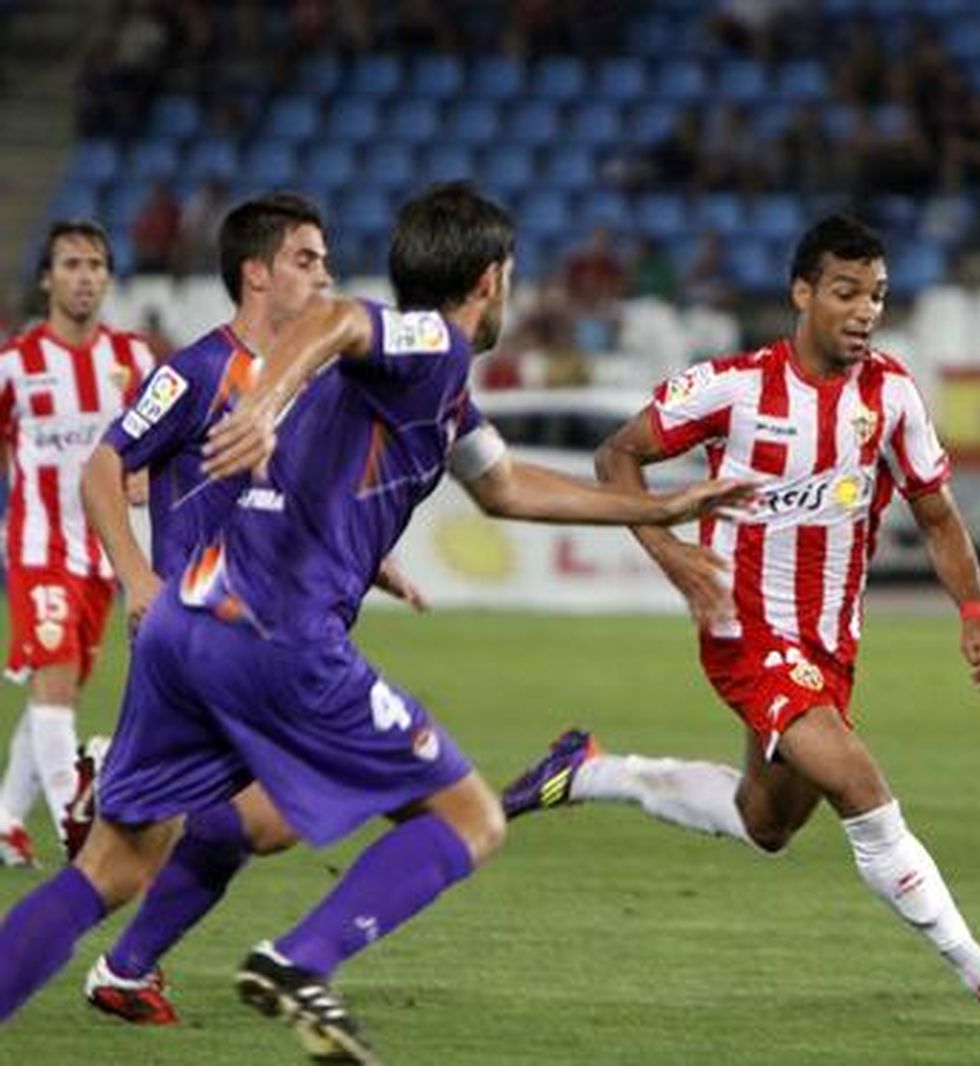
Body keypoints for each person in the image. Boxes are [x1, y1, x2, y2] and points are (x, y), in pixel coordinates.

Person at [0, 183, 751, 1061]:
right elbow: (342, 322)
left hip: (192, 621)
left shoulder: (438, 390)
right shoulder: (428, 342)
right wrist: (262, 403)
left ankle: (132, 963)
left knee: (115, 868)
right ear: (490, 278)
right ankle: (300, 959)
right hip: (278, 634)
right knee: (471, 817)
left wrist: (652, 510)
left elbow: (505, 486)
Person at [503, 215, 980, 1033]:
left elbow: (936, 514)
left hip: (830, 643)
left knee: (768, 822)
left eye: (879, 295)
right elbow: (618, 456)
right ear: (803, 293)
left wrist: (974, 609)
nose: (865, 311)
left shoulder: (891, 396)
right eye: (847, 292)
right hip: (744, 630)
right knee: (860, 786)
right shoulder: (733, 386)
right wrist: (668, 551)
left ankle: (591, 770)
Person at [75, 191, 421, 1025]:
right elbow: (101, 468)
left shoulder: (318, 382)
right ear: (257, 273)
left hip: (270, 638)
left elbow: (294, 502)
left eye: (328, 261)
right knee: (228, 826)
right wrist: (137, 577)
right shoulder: (195, 371)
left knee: (253, 825)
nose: (327, 276)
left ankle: (123, 962)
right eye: (309, 259)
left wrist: (369, 563)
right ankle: (113, 939)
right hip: (200, 643)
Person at [0, 220, 156, 868]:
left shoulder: (135, 362)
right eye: (70, 264)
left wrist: (144, 475)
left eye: (95, 264)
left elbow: (153, 447)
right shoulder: (14, 365)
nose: (84, 276)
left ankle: (5, 818)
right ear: (46, 278)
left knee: (52, 696)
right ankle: (78, 827)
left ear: (109, 277)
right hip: (37, 549)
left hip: (100, 557)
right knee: (56, 684)